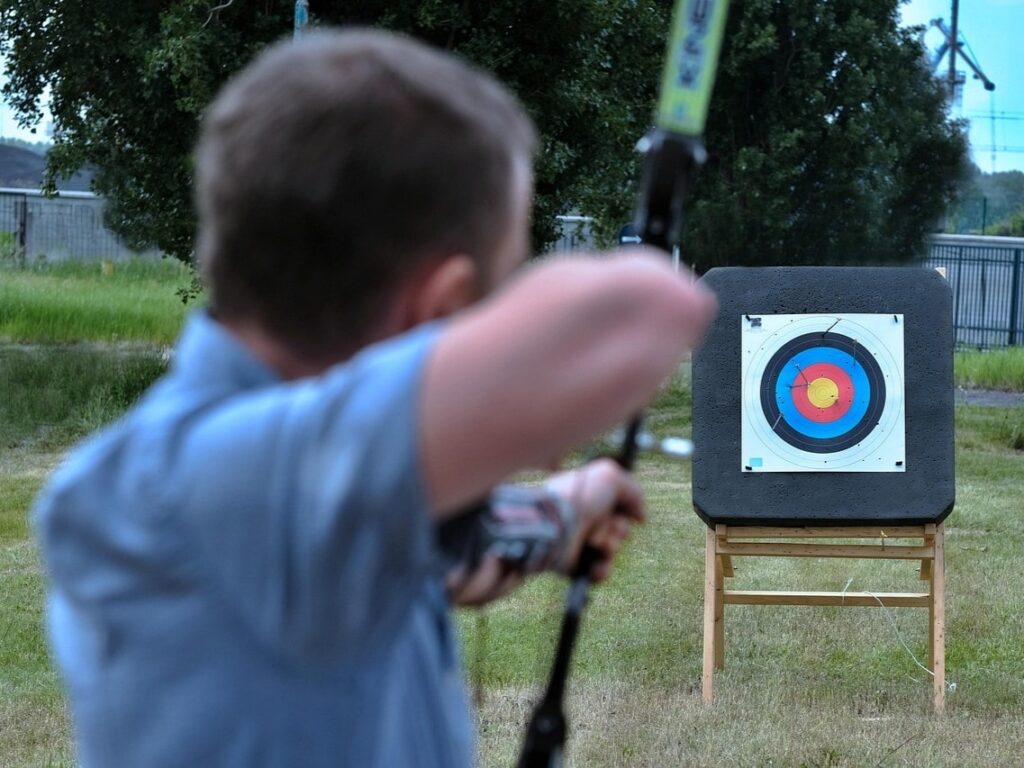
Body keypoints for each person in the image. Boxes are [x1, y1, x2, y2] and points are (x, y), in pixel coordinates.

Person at [34, 29, 716, 768]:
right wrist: (510, 393)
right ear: (440, 306)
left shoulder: (310, 490)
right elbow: (649, 306)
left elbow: (429, 546)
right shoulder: (205, 481)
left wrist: (559, 512)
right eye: (495, 288)